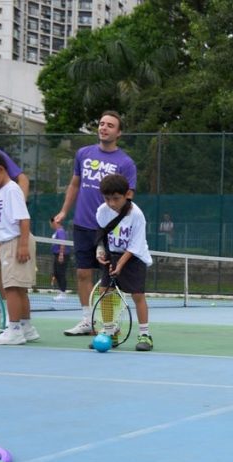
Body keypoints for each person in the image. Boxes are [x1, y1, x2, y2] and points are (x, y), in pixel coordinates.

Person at [53, 111, 137, 337]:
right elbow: (74, 185)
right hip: (82, 225)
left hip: (109, 230)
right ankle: (87, 320)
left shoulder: (126, 162)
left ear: (118, 132)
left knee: (108, 278)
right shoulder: (83, 154)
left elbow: (128, 198)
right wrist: (64, 211)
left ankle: (110, 322)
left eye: (110, 125)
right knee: (82, 273)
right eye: (101, 124)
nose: (104, 128)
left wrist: (120, 227)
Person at [93, 174, 155, 351]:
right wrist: (100, 250)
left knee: (137, 295)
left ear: (128, 194)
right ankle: (110, 331)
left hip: (134, 258)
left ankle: (145, 334)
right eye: (107, 198)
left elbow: (135, 245)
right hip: (112, 255)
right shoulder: (102, 211)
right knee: (105, 292)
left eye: (116, 198)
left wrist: (120, 264)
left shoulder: (137, 215)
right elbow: (102, 235)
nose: (111, 203)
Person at [0, 152, 38, 345]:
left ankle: (14, 330)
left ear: (0, 170)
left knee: (11, 287)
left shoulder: (12, 190)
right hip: (7, 243)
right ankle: (27, 328)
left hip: (16, 241)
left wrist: (22, 245)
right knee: (18, 289)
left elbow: (24, 218)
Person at [50, 218, 69, 301]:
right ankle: (61, 292)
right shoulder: (56, 231)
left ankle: (63, 293)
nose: (50, 225)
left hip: (61, 255)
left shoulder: (60, 231)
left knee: (61, 273)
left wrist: (61, 254)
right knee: (56, 273)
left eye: (51, 223)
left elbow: (62, 242)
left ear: (55, 222)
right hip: (56, 255)